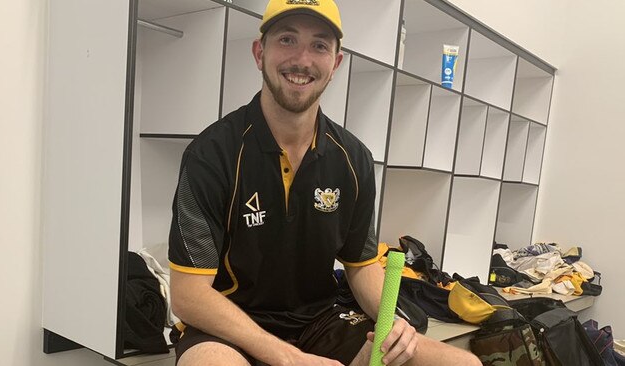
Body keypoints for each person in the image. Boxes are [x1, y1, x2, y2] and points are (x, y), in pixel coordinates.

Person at [168, 0, 482, 365]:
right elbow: (188, 296)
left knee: (463, 363)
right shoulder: (212, 153)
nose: (302, 59)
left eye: (319, 45)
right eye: (287, 39)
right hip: (231, 325)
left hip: (319, 321)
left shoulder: (354, 158)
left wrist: (394, 324)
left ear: (335, 63)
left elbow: (361, 265)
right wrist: (288, 358)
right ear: (259, 53)